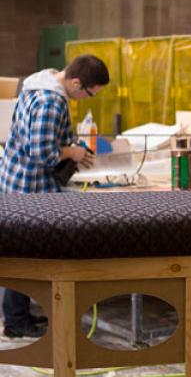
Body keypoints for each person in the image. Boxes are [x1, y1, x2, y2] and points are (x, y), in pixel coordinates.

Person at [0, 54, 109, 338]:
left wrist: (71, 145)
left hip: (17, 178)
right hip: (29, 185)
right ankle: (15, 322)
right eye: (87, 93)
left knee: (22, 251)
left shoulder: (39, 84)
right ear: (75, 82)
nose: (85, 99)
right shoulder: (51, 101)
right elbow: (43, 153)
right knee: (24, 255)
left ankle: (19, 314)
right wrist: (72, 152)